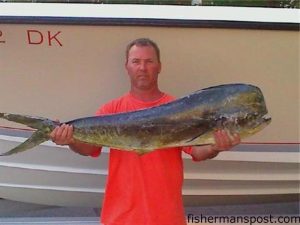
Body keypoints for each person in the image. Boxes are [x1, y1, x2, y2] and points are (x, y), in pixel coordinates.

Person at [50, 38, 240, 225]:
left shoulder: (179, 109)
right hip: (120, 219)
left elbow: (198, 152)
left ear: (159, 66)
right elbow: (89, 149)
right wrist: (70, 140)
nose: (142, 68)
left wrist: (216, 146)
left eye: (149, 61)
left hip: (167, 218)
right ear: (127, 66)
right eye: (136, 61)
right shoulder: (111, 109)